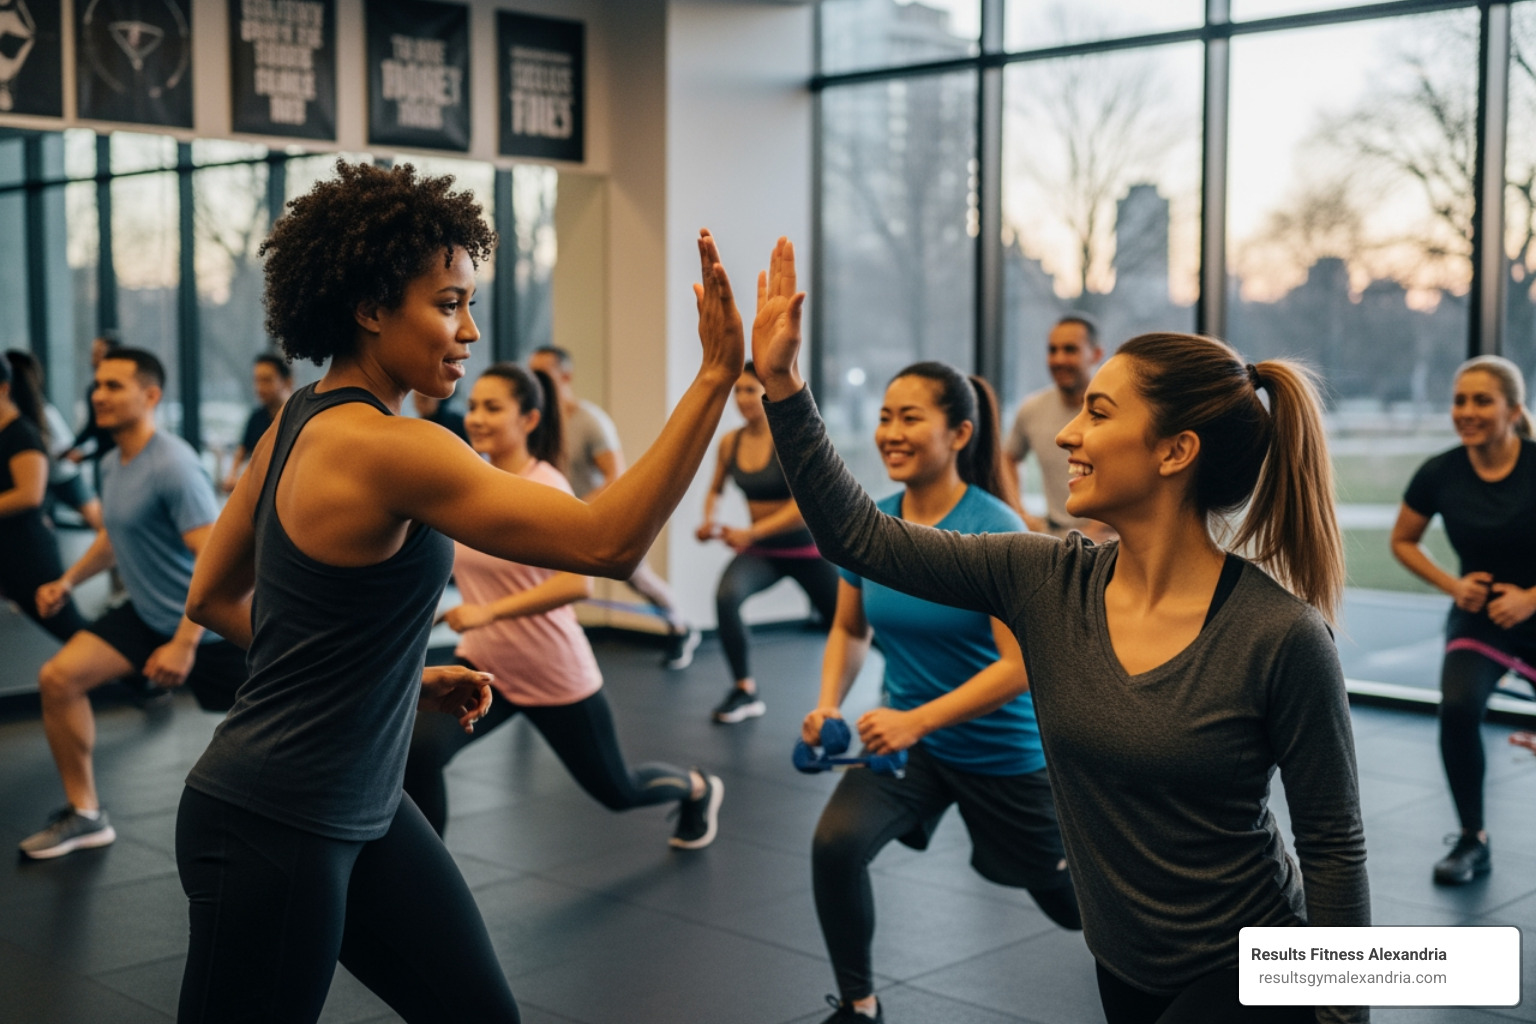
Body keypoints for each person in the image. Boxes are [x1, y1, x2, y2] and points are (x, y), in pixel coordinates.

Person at [178, 160, 743, 1023]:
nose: (471, 330)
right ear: (370, 308)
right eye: (449, 304)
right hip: (276, 820)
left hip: (360, 805)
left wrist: (390, 683)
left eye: (469, 304)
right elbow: (609, 542)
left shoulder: (295, 419)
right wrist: (713, 379)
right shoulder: (403, 447)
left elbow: (213, 598)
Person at [752, 238, 1369, 1024]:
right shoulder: (1042, 578)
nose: (1067, 435)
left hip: (1248, 963)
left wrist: (1345, 1016)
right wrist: (783, 385)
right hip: (1121, 958)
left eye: (1099, 414)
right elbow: (857, 539)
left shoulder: (1280, 636)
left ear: (1177, 451)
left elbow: (1334, 844)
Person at [806, 361, 1079, 1024]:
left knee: (1079, 910)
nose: (890, 432)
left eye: (909, 417)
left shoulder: (998, 530)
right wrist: (828, 703)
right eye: (883, 416)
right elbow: (849, 626)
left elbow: (1019, 668)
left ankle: (1251, 972)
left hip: (1002, 753)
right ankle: (858, 1004)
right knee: (835, 846)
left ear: (959, 433)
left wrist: (915, 722)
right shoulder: (870, 524)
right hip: (910, 747)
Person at [403, 363, 723, 848]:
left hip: (552, 670)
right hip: (486, 664)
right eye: (473, 406)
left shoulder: (546, 484)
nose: (477, 417)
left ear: (529, 420)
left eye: (493, 407)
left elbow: (579, 585)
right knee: (419, 751)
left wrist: (489, 611)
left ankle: (697, 788)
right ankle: (428, 876)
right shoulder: (469, 481)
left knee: (618, 790)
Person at [20, 348, 247, 860]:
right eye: (97, 384)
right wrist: (69, 581)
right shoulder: (110, 463)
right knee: (59, 679)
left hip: (208, 629)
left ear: (150, 396)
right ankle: (85, 814)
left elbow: (218, 566)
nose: (99, 394)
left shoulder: (174, 466)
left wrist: (183, 644)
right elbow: (115, 536)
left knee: (287, 728)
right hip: (147, 614)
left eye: (114, 386)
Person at [1390, 354, 1536, 886]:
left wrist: (1531, 598)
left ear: (1514, 409)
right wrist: (1453, 585)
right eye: (1459, 400)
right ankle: (1473, 839)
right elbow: (1402, 540)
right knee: (1457, 706)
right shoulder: (1440, 472)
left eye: (1482, 400)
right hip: (1481, 620)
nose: (1467, 411)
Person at [530, 344, 702, 668]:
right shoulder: (537, 423)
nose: (536, 381)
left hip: (594, 516)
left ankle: (681, 628)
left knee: (639, 579)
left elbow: (615, 476)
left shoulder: (590, 421)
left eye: (544, 374)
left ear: (566, 376)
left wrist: (579, 507)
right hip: (560, 518)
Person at [697, 362, 839, 723]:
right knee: (726, 597)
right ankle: (745, 690)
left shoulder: (789, 439)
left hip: (809, 549)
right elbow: (715, 488)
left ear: (768, 394)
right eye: (738, 391)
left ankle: (902, 679)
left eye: (751, 391)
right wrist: (708, 520)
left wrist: (752, 533)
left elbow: (803, 506)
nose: (743, 399)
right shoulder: (731, 443)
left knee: (851, 621)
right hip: (765, 553)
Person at [0, 353, 88, 644]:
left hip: (28, 552)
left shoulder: (21, 434)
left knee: (68, 627)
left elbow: (30, 494)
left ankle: (138, 678)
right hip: (8, 548)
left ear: (4, 388)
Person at [1003, 314, 1109, 539]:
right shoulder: (1032, 408)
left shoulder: (1117, 410)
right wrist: (1019, 512)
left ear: (1097, 354)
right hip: (1054, 536)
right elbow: (1007, 457)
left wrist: (1097, 529)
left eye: (1070, 350)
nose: (1058, 359)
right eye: (1052, 350)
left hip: (1110, 537)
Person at [6, 350, 104, 530]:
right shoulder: (28, 410)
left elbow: (67, 443)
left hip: (61, 473)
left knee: (98, 521)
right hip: (46, 477)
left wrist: (74, 454)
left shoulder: (36, 413)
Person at [221, 353, 293, 493]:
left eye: (267, 380)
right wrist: (231, 475)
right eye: (257, 380)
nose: (259, 387)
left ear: (286, 382)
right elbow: (243, 449)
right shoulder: (257, 417)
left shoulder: (296, 416)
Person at [63, 332, 121, 474]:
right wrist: (71, 447)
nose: (94, 358)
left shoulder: (119, 394)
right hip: (108, 461)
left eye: (99, 353)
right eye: (93, 353)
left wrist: (86, 456)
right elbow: (93, 426)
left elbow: (114, 438)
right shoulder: (92, 389)